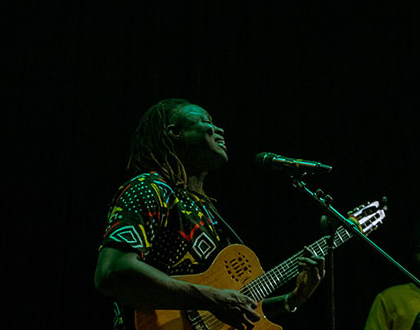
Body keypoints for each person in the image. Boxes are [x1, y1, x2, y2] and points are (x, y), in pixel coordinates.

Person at [94, 98, 325, 330]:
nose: (219, 130)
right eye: (206, 122)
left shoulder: (205, 209)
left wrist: (291, 300)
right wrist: (212, 298)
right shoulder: (148, 188)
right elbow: (113, 270)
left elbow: (225, 312)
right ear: (175, 133)